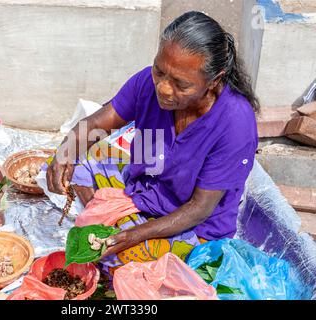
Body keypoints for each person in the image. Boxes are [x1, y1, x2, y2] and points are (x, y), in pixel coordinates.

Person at [47, 11, 259, 273]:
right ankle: (112, 214)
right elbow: (97, 124)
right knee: (79, 158)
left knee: (120, 264)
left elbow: (199, 209)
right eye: (160, 71)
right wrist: (66, 152)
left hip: (190, 222)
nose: (164, 88)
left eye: (181, 84)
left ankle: (116, 221)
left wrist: (134, 234)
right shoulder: (147, 83)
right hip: (145, 188)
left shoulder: (234, 122)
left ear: (214, 81)